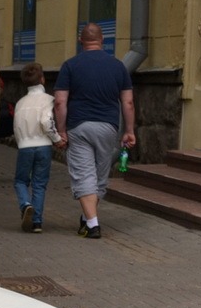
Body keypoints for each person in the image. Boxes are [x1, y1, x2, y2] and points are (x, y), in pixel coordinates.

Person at [53, 22, 136, 240]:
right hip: (108, 127)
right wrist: (129, 130)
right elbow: (128, 103)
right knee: (99, 175)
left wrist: (61, 131)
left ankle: (92, 225)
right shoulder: (118, 67)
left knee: (84, 174)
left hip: (79, 126)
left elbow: (60, 102)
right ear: (102, 40)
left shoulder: (70, 65)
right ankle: (87, 217)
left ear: (81, 40)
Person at [13, 62, 65, 233]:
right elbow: (46, 122)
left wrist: (21, 142)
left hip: (25, 146)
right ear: (42, 79)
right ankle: (36, 222)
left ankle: (25, 204)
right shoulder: (48, 100)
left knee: (21, 181)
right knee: (39, 184)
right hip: (44, 146)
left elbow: (16, 126)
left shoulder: (20, 103)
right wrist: (57, 139)